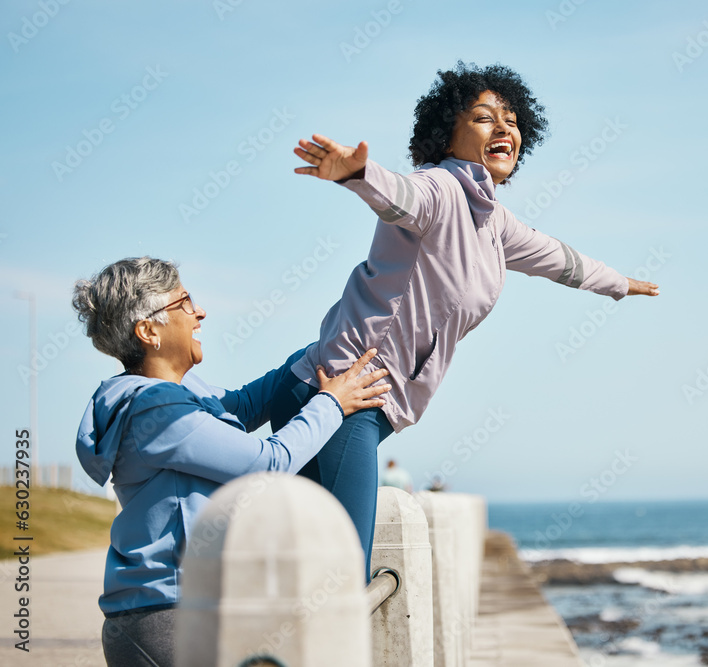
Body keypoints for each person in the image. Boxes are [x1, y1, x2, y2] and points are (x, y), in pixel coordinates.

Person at [272, 61, 659, 577]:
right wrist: (357, 174)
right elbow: (401, 197)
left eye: (513, 120)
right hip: (349, 395)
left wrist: (618, 283)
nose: (504, 129)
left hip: (367, 404)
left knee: (311, 568)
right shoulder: (440, 188)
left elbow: (558, 258)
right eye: (483, 118)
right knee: (345, 573)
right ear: (445, 135)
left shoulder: (493, 220)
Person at [72, 256, 390, 667]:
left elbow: (242, 404)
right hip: (166, 617)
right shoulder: (154, 409)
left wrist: (324, 352)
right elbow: (268, 464)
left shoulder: (177, 392)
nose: (199, 311)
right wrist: (332, 403)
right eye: (183, 303)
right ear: (149, 330)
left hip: (180, 609)